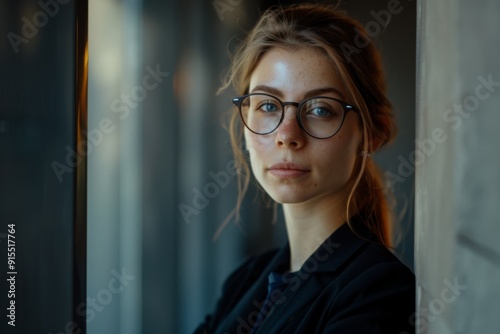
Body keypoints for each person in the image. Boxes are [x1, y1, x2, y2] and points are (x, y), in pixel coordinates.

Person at [195, 3, 415, 333]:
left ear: (371, 134)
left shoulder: (378, 292)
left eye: (320, 110)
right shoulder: (246, 280)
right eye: (268, 105)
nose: (286, 135)